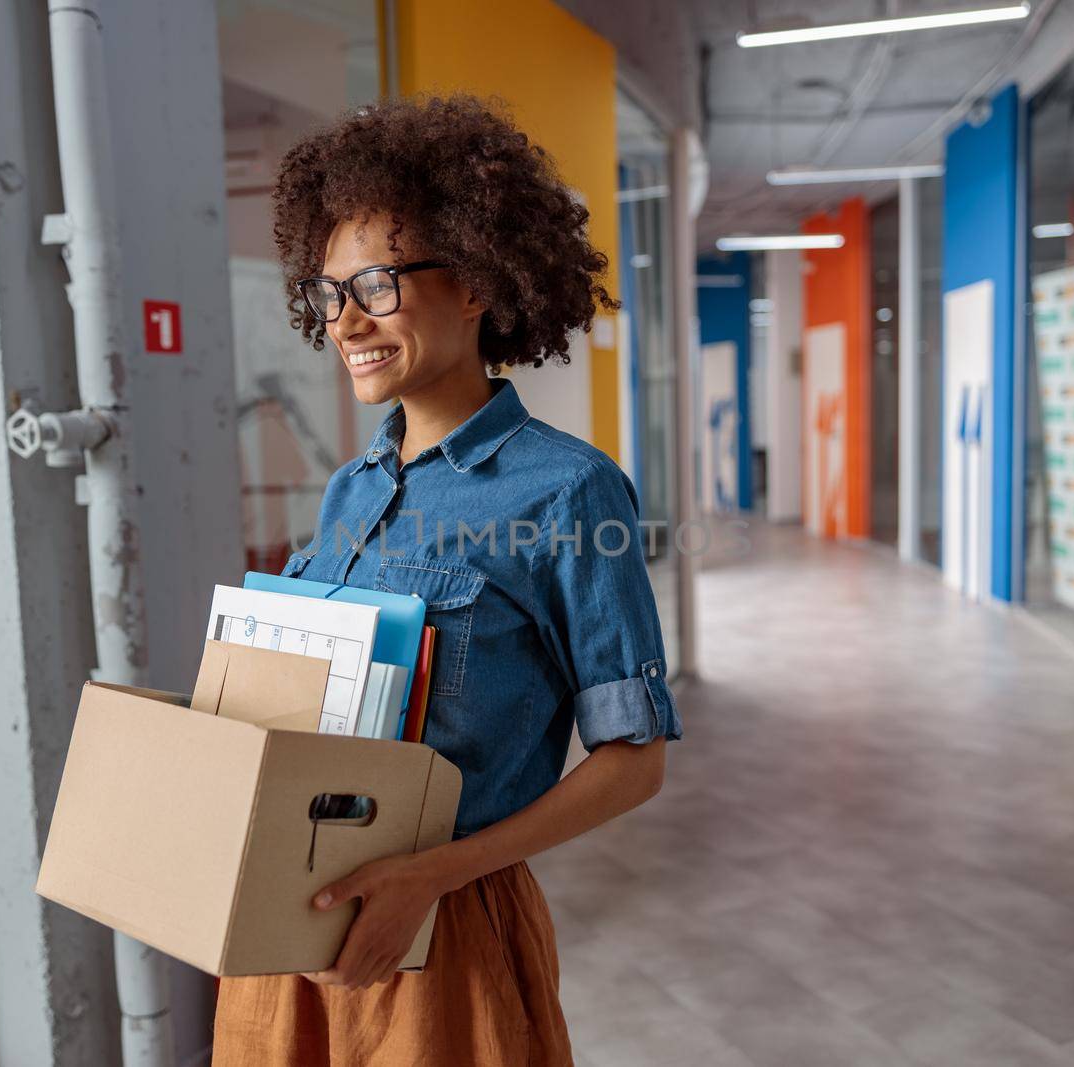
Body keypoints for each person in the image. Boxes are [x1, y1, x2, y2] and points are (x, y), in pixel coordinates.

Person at [212, 94, 683, 1067]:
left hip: (439, 933)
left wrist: (431, 874)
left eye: (376, 284)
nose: (342, 321)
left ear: (472, 282)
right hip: (283, 929)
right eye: (325, 291)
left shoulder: (568, 491)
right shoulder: (348, 487)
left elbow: (633, 761)